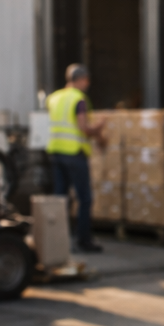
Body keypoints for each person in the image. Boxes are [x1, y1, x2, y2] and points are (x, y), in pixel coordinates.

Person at [47, 63, 107, 253]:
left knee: (61, 198)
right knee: (85, 198)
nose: (87, 85)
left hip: (56, 152)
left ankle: (58, 239)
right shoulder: (78, 99)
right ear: (80, 80)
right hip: (74, 153)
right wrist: (98, 130)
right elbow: (83, 127)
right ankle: (84, 240)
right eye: (86, 80)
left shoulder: (54, 98)